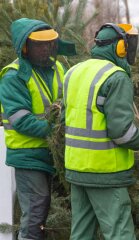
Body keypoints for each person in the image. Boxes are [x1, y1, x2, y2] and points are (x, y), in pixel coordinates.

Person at [63, 23, 139, 239]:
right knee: (119, 232)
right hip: (104, 171)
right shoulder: (116, 76)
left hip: (76, 167)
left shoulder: (73, 72)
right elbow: (121, 131)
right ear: (120, 47)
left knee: (81, 233)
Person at [0, 18, 76, 239]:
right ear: (25, 47)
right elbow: (21, 120)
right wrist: (56, 131)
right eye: (39, 45)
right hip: (28, 154)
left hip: (53, 153)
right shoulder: (14, 76)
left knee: (40, 211)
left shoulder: (59, 68)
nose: (46, 49)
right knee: (35, 213)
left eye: (49, 44)